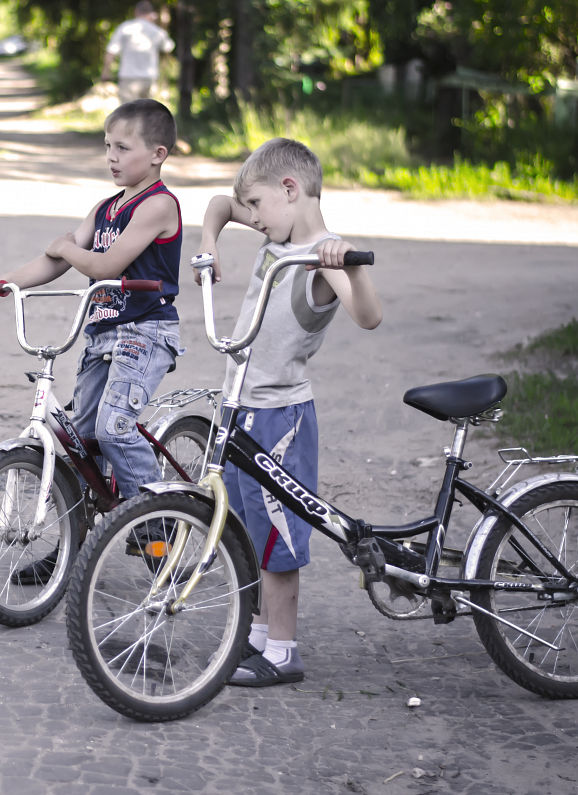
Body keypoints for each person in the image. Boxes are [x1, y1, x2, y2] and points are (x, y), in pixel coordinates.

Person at [0, 99, 184, 584]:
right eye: (107, 147)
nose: (111, 157)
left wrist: (67, 245)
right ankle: (73, 547)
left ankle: (160, 529)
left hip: (144, 332)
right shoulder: (104, 208)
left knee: (113, 429)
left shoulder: (158, 206)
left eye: (123, 148)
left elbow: (101, 266)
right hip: (103, 333)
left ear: (158, 154)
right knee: (82, 444)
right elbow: (56, 261)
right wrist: (4, 283)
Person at [194, 137, 382, 686]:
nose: (250, 218)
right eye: (250, 209)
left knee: (277, 539)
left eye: (257, 206)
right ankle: (255, 634)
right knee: (248, 529)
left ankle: (282, 651)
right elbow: (220, 206)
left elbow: (369, 317)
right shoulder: (277, 225)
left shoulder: (323, 255)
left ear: (290, 190)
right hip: (241, 409)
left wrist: (350, 264)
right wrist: (210, 243)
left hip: (280, 418)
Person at [101, 1, 175, 103]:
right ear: (151, 13)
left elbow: (111, 51)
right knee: (147, 114)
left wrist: (106, 72)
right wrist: (160, 25)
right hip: (150, 78)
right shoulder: (156, 30)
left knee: (127, 113)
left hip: (128, 77)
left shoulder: (124, 28)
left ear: (136, 12)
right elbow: (168, 47)